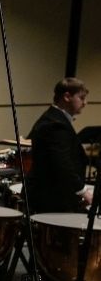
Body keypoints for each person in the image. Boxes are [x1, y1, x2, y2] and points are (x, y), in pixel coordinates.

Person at [25, 78, 93, 212]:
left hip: (52, 196)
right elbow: (62, 163)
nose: (85, 103)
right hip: (50, 199)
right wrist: (82, 190)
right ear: (67, 97)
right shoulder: (55, 124)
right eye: (82, 98)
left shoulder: (54, 118)